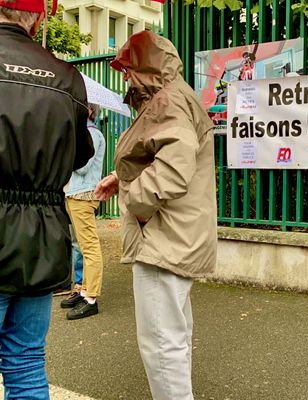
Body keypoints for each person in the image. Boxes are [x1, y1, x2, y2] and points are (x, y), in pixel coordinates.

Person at [95, 30, 217, 400]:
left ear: (145, 68)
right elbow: (169, 157)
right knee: (172, 340)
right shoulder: (173, 96)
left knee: (162, 346)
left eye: (128, 69)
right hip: (175, 235)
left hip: (162, 239)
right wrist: (123, 177)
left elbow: (173, 169)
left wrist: (134, 201)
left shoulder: (167, 102)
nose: (124, 77)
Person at [0, 0, 94, 396]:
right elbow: (81, 155)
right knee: (26, 362)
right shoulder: (66, 76)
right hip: (42, 240)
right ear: (38, 18)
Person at [60, 104, 106, 319]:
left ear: (89, 111)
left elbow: (83, 167)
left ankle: (91, 298)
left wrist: (67, 151)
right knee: (79, 244)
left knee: (89, 247)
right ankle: (83, 289)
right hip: (74, 194)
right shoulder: (84, 133)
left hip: (83, 195)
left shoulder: (92, 134)